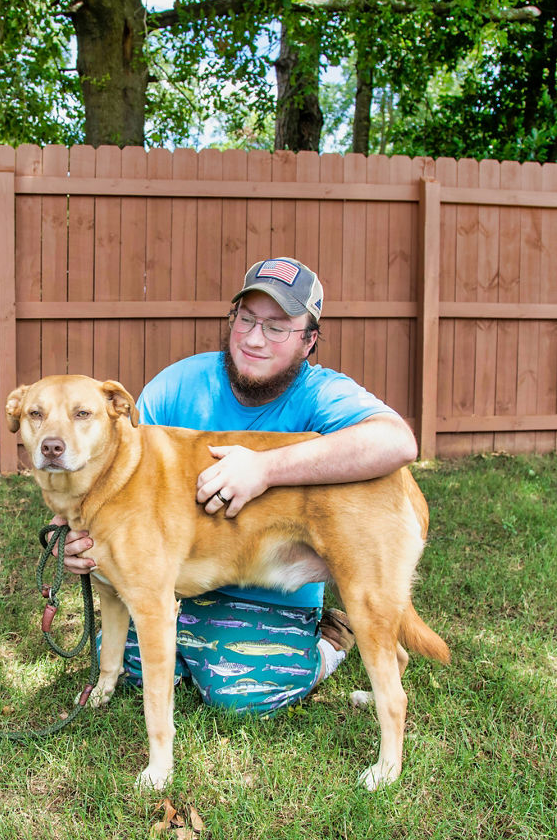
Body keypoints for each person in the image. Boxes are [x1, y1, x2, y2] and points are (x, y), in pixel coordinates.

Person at [54, 256, 418, 715]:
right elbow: (109, 470)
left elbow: (397, 441)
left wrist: (265, 470)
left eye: (277, 327)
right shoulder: (181, 383)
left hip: (270, 589)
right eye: (245, 319)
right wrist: (68, 532)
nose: (253, 338)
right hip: (176, 574)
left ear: (309, 341)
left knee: (238, 694)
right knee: (129, 660)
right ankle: (194, 642)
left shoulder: (323, 394)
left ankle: (329, 642)